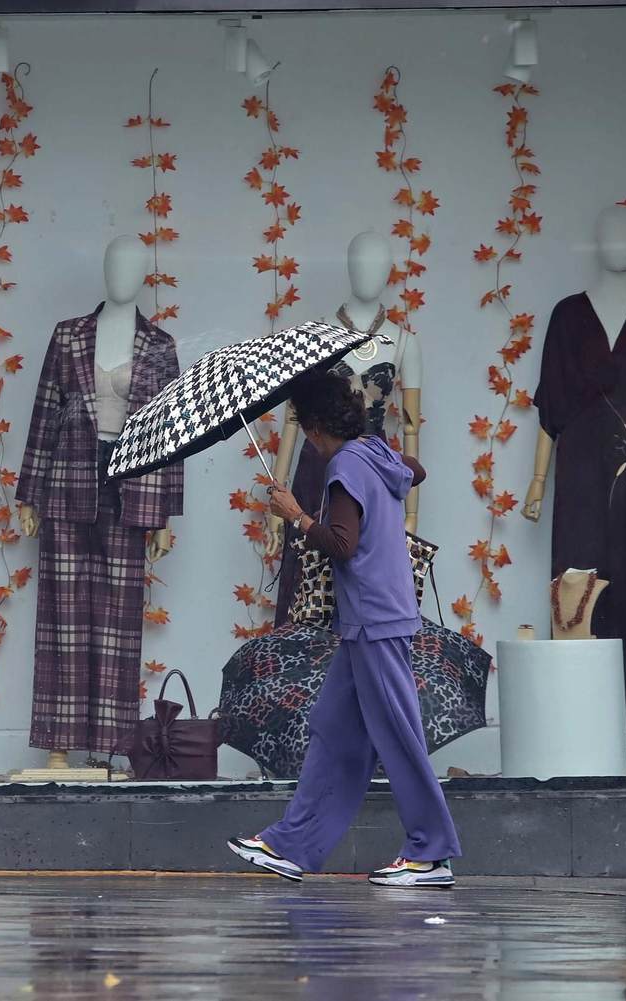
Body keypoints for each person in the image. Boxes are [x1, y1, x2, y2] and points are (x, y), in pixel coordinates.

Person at [228, 370, 461, 888]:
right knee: (335, 733)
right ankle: (290, 845)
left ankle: (431, 853)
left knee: (399, 738)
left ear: (313, 430)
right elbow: (415, 471)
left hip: (374, 620)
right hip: (372, 619)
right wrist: (382, 460)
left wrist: (295, 515)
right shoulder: (374, 453)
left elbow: (341, 544)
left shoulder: (342, 467)